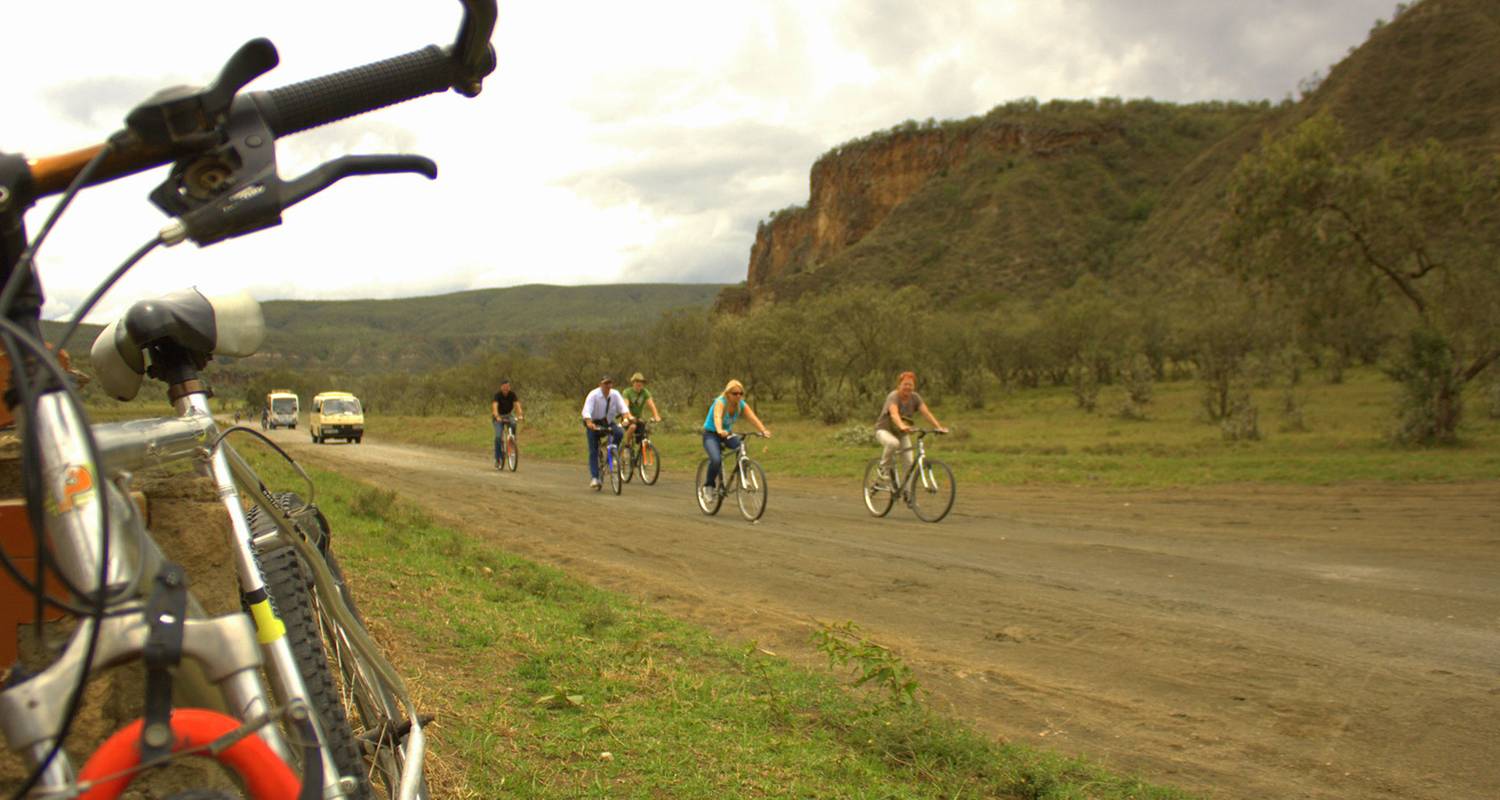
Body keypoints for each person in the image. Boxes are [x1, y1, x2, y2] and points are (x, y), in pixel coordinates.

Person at [700, 379, 770, 506]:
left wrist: (763, 430)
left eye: (740, 393)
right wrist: (720, 429)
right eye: (735, 393)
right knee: (716, 460)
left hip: (726, 434)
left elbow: (752, 417)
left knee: (741, 447)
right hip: (711, 434)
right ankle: (708, 487)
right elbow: (717, 416)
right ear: (727, 393)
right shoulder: (720, 402)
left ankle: (743, 477)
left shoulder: (741, 404)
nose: (738, 396)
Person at [875, 371, 947, 486]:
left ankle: (907, 494)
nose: (908, 387)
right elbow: (894, 414)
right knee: (893, 443)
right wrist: (902, 425)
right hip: (884, 430)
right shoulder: (893, 396)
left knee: (909, 462)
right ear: (899, 385)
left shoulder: (915, 398)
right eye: (905, 384)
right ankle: (882, 469)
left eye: (910, 384)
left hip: (901, 433)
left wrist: (938, 427)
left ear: (914, 386)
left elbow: (926, 413)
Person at [580, 375, 633, 489]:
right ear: (600, 385)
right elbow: (586, 411)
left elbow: (623, 409)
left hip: (608, 422)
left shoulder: (615, 394)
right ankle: (595, 477)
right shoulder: (593, 395)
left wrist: (625, 418)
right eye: (605, 384)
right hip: (594, 424)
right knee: (593, 450)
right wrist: (589, 423)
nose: (608, 386)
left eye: (609, 383)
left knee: (619, 432)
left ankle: (613, 453)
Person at [621, 372, 662, 448]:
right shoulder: (627, 392)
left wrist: (656, 415)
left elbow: (651, 405)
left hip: (638, 418)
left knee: (645, 430)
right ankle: (627, 445)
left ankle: (642, 452)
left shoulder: (645, 392)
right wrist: (630, 416)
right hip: (627, 418)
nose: (639, 384)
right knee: (633, 427)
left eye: (641, 382)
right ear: (633, 382)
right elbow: (625, 407)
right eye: (637, 382)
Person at [491, 378, 524, 469]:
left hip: (508, 415)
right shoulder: (497, 395)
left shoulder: (512, 394)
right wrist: (497, 416)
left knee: (513, 424)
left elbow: (517, 405)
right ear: (501, 387)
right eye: (504, 387)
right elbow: (494, 406)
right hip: (498, 417)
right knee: (498, 437)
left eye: (508, 387)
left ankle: (512, 441)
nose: (506, 389)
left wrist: (520, 415)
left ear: (509, 387)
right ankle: (497, 459)